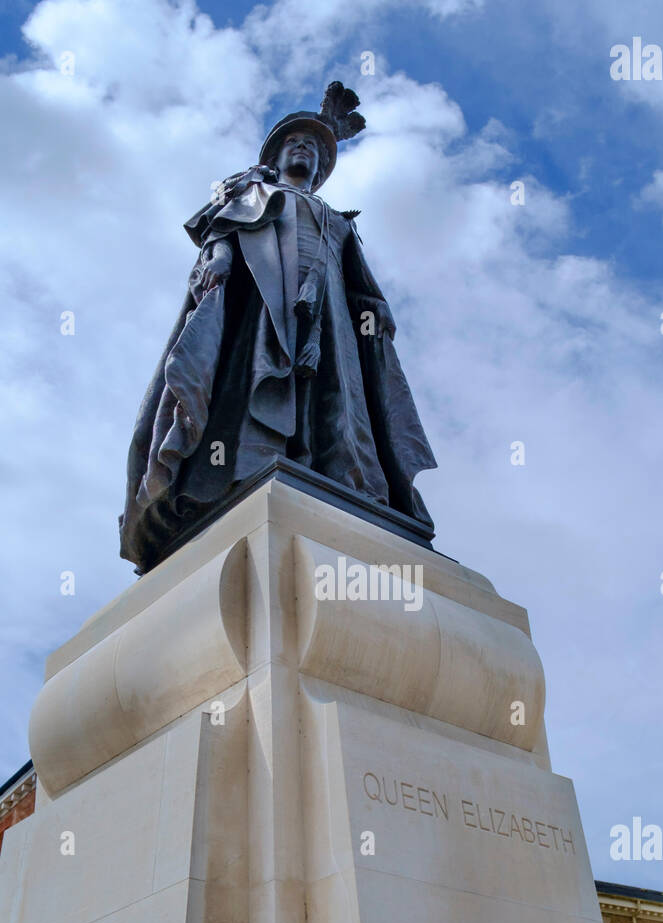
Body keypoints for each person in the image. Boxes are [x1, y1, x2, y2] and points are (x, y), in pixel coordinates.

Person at [119, 82, 437, 572]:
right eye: (295, 142)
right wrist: (219, 259)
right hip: (261, 308)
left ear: (323, 169)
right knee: (249, 390)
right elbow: (221, 231)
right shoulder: (256, 193)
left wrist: (376, 329)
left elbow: (362, 287)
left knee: (339, 402)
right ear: (276, 154)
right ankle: (243, 470)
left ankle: (337, 478)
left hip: (329, 322)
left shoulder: (336, 220)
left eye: (314, 147)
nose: (304, 149)